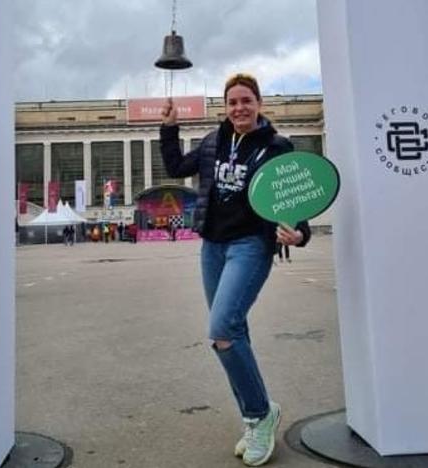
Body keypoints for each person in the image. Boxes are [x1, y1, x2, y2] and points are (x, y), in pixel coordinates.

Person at [160, 73, 311, 466]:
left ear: (259, 104)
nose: (239, 108)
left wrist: (300, 233)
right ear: (224, 108)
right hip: (213, 244)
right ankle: (258, 415)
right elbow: (176, 166)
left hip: (250, 245)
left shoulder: (278, 147)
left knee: (222, 328)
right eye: (232, 102)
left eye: (246, 100)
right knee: (229, 332)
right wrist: (170, 127)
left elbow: (292, 196)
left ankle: (259, 416)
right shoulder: (214, 141)